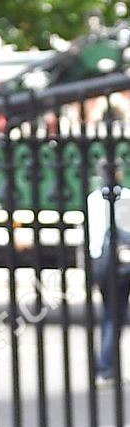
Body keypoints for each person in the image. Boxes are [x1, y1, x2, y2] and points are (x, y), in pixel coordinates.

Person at [86, 162, 130, 387]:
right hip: (119, 264)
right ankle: (106, 367)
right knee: (115, 315)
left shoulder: (93, 199)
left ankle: (103, 365)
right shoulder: (125, 198)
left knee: (107, 313)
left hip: (99, 262)